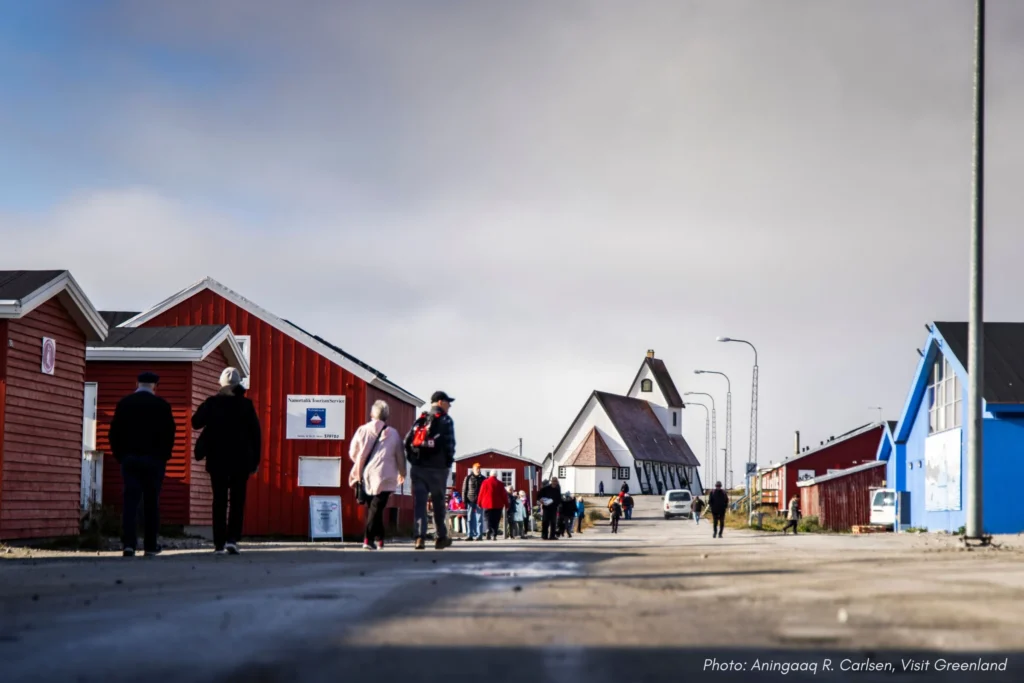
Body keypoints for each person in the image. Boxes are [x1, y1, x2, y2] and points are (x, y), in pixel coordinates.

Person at [192, 367, 262, 555]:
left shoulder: (212, 403)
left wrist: (210, 405)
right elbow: (256, 435)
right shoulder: (246, 405)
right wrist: (255, 461)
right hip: (241, 460)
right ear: (239, 385)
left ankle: (219, 543)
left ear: (221, 385)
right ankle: (232, 539)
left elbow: (195, 422)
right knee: (238, 500)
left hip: (217, 459)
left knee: (219, 500)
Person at [109, 371, 177, 558]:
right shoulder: (162, 406)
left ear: (137, 383)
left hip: (130, 458)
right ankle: (150, 545)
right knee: (151, 503)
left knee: (130, 501)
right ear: (155, 386)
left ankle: (129, 544)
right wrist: (164, 456)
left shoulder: (125, 403)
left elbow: (114, 432)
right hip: (154, 460)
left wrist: (120, 455)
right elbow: (170, 433)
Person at [348, 399, 406, 550]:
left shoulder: (362, 430)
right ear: (387, 416)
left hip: (365, 475)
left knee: (375, 508)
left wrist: (361, 462)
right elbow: (400, 455)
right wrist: (402, 472)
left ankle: (378, 539)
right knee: (377, 508)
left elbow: (353, 452)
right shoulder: (393, 433)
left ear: (372, 413)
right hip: (385, 476)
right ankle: (369, 539)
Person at [405, 391, 457, 550]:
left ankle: (419, 537)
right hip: (437, 469)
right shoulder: (446, 421)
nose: (450, 406)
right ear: (440, 402)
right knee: (438, 504)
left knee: (420, 503)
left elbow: (408, 442)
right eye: (448, 403)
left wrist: (414, 461)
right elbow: (450, 445)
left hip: (419, 468)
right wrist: (447, 464)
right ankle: (440, 537)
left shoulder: (421, 419)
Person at [478, 472, 508, 541]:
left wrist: (479, 502)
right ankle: (494, 535)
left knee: (487, 518)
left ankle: (488, 529)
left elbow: (481, 493)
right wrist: (506, 504)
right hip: (498, 505)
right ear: (496, 475)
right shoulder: (500, 483)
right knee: (496, 520)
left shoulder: (485, 482)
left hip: (486, 504)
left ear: (490, 475)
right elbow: (504, 495)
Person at [461, 462, 486, 541]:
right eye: (477, 468)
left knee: (479, 519)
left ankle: (479, 536)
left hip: (480, 501)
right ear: (473, 469)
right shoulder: (468, 478)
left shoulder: (483, 478)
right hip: (470, 500)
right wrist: (464, 500)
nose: (478, 470)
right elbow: (464, 490)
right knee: (469, 518)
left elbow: (485, 491)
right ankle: (470, 535)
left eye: (479, 468)